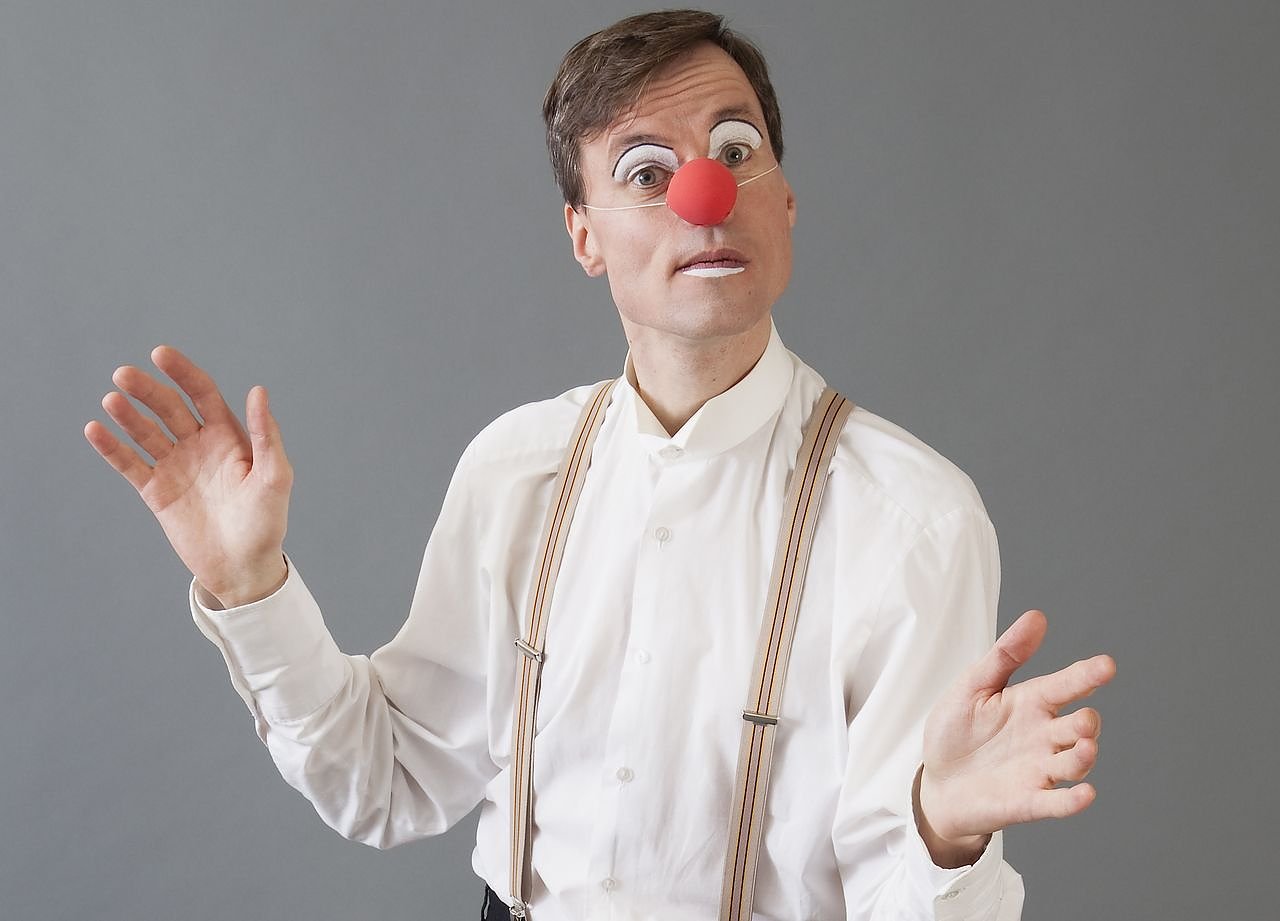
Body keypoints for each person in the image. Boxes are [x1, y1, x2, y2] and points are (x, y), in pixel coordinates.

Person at [84, 10, 1116, 921]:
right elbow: (386, 781)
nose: (705, 193)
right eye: (646, 173)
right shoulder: (515, 471)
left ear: (785, 203)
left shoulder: (913, 519)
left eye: (736, 150)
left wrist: (941, 830)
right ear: (584, 236)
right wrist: (250, 587)